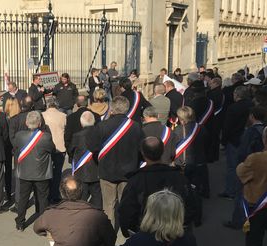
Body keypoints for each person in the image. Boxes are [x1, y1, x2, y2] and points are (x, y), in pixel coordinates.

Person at [119, 137, 196, 236]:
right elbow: (190, 206)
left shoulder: (135, 181)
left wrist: (129, 232)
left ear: (142, 153)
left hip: (147, 234)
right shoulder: (179, 177)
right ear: (162, 151)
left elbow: (127, 212)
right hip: (175, 233)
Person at [86, 96, 144, 227]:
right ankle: (126, 229)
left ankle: (110, 234)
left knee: (108, 205)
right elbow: (142, 149)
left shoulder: (102, 126)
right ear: (127, 109)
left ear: (111, 109)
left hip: (107, 171)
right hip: (129, 172)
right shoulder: (136, 127)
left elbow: (91, 146)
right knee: (126, 203)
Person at [223, 107, 266, 230]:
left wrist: (240, 166)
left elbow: (242, 152)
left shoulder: (250, 132)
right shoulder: (266, 129)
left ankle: (238, 221)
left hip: (248, 165)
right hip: (262, 166)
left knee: (241, 195)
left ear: (252, 116)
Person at [12, 111, 55, 231]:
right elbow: (52, 149)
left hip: (25, 173)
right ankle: (42, 225)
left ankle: (20, 222)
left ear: (26, 122)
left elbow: (15, 147)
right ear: (40, 123)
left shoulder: (19, 135)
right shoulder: (46, 137)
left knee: (23, 198)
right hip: (41, 173)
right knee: (43, 199)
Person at [220, 86, 253, 199]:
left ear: (237, 95)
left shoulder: (233, 108)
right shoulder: (251, 105)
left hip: (234, 139)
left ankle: (231, 191)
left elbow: (227, 126)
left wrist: (223, 140)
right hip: (247, 138)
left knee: (232, 167)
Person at [174, 106, 210, 198]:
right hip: (200, 161)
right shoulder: (201, 128)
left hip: (183, 163)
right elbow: (206, 143)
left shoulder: (178, 130)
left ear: (181, 119)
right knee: (198, 186)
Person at [69, 111, 102, 208]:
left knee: (82, 197)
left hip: (81, 170)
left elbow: (71, 150)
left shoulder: (77, 136)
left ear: (81, 122)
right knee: (97, 197)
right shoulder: (100, 133)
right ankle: (97, 217)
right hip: (96, 170)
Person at [42, 98, 67, 204]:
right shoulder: (63, 116)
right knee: (57, 172)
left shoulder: (42, 115)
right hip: (59, 146)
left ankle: (45, 194)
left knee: (46, 172)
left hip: (46, 147)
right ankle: (55, 194)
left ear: (47, 105)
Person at [3, 98, 21, 204]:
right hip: (17, 146)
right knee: (17, 171)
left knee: (8, 170)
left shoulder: (5, 118)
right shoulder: (19, 118)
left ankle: (8, 193)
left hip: (7, 146)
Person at [206, 77, 225, 163]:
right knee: (216, 137)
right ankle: (215, 155)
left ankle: (210, 156)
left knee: (212, 137)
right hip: (219, 117)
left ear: (216, 84)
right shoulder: (221, 92)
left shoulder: (212, 94)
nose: (210, 84)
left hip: (213, 117)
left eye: (212, 83)